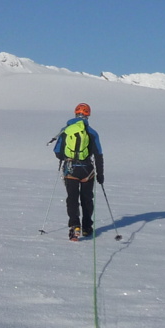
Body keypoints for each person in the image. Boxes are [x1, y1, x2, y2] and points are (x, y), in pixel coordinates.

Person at [53, 103, 104, 241]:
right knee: (87, 198)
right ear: (88, 115)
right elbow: (98, 154)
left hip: (71, 169)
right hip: (87, 170)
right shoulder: (92, 132)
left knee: (72, 198)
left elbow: (58, 152)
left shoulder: (66, 130)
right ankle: (87, 227)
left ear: (75, 113)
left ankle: (75, 226)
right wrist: (100, 174)